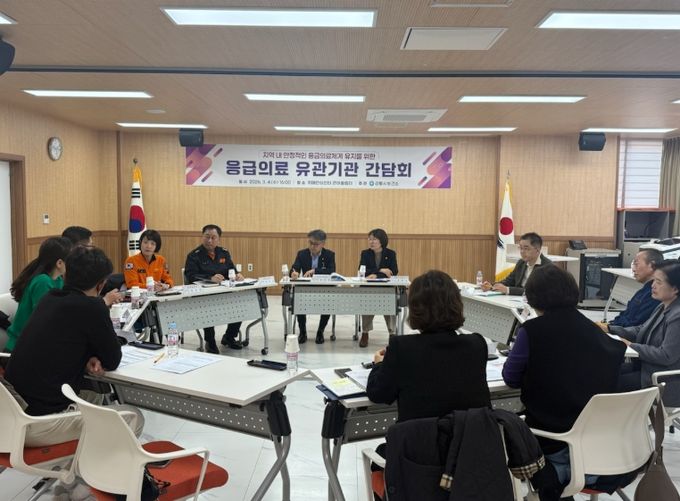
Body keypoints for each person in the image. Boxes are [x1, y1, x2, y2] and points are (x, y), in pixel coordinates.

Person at [502, 265, 627, 501]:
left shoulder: (532, 331)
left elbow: (511, 378)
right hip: (600, 445)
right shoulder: (596, 332)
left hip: (552, 442)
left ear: (534, 297)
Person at [4, 246, 144, 447]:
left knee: (94, 396)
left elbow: (63, 342)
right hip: (36, 423)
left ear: (66, 274)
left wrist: (88, 357)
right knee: (133, 416)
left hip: (10, 410)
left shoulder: (49, 298)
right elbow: (112, 360)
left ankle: (82, 459)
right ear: (101, 284)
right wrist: (94, 355)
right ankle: (88, 464)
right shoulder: (93, 307)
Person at [367, 270, 490, 422]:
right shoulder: (477, 344)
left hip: (421, 436)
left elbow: (378, 394)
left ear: (415, 308)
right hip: (470, 435)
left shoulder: (402, 347)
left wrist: (379, 365)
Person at [610, 260, 680, 406]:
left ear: (675, 289)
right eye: (654, 280)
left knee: (608, 382)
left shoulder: (677, 316)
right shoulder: (663, 306)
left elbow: (666, 355)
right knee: (604, 370)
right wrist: (610, 329)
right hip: (648, 368)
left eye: (659, 282)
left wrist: (631, 345)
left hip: (663, 380)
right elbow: (641, 329)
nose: (653, 285)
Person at [5, 237, 72, 352]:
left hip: (35, 344)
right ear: (59, 263)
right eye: (71, 261)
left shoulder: (58, 280)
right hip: (21, 349)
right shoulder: (42, 282)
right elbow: (45, 320)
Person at [184, 224, 243, 353]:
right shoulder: (194, 255)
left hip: (224, 292)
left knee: (239, 305)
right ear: (202, 237)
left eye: (213, 237)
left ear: (218, 239)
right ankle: (210, 341)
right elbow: (190, 275)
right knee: (208, 308)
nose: (210, 240)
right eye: (207, 237)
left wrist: (237, 275)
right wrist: (210, 278)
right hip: (203, 295)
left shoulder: (224, 253)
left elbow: (231, 269)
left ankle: (229, 337)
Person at [596, 249, 663, 330]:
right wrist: (611, 324)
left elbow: (635, 325)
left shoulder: (654, 294)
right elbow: (626, 314)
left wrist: (610, 328)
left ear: (652, 265)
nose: (633, 269)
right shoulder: (643, 291)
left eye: (636, 264)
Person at [290, 229, 336, 344]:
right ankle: (303, 332)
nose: (312, 246)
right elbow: (295, 268)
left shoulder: (329, 255)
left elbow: (331, 271)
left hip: (324, 289)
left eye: (316, 244)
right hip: (306, 289)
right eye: (310, 243)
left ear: (323, 244)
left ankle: (320, 331)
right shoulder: (302, 254)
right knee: (299, 299)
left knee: (328, 303)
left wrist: (315, 271)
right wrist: (294, 273)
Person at [359, 228, 398, 348]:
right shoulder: (365, 253)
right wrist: (381, 270)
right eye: (369, 239)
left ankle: (392, 333)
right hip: (369, 288)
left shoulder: (390, 254)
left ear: (382, 241)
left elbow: (393, 272)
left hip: (386, 288)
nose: (371, 242)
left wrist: (376, 275)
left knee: (390, 303)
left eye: (374, 239)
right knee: (367, 303)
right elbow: (363, 271)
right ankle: (365, 333)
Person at [482, 232, 552, 296]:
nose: (522, 252)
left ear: (537, 250)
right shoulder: (521, 262)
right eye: (520, 248)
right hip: (517, 299)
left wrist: (508, 290)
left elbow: (536, 291)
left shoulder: (547, 266)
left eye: (526, 248)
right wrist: (491, 285)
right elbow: (509, 281)